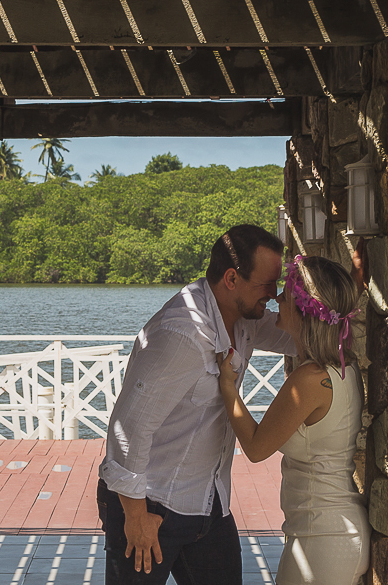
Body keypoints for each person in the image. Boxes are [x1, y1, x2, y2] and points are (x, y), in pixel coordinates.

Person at [97, 224, 297, 585]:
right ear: (232, 278)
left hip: (208, 502)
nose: (274, 293)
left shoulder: (243, 319)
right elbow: (128, 427)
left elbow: (296, 334)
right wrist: (137, 516)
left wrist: (345, 307)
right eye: (267, 284)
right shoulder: (182, 335)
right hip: (149, 503)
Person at [216, 254, 369, 585]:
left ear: (304, 310)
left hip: (323, 539)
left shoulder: (310, 380)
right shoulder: (344, 366)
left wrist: (228, 386)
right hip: (330, 532)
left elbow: (257, 447)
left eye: (284, 294)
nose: (276, 298)